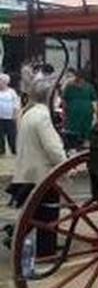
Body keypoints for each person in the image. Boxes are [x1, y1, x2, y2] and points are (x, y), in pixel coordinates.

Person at [9, 79, 66, 257]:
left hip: (29, 170)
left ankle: (17, 236)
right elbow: (52, 148)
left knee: (36, 212)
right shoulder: (43, 116)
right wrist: (65, 165)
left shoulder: (29, 113)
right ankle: (45, 249)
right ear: (49, 96)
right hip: (43, 172)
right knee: (49, 211)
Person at [62, 70, 97, 149]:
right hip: (84, 110)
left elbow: (64, 100)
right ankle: (84, 142)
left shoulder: (69, 86)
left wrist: (65, 111)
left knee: (75, 128)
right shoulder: (89, 87)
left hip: (76, 110)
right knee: (83, 127)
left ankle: (76, 144)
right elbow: (94, 100)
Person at [0, 73, 20, 155]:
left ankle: (14, 149)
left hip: (10, 118)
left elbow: (16, 104)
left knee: (12, 135)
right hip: (0, 118)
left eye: (1, 80)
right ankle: (1, 150)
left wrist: (15, 115)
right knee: (0, 135)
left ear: (6, 82)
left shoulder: (12, 92)